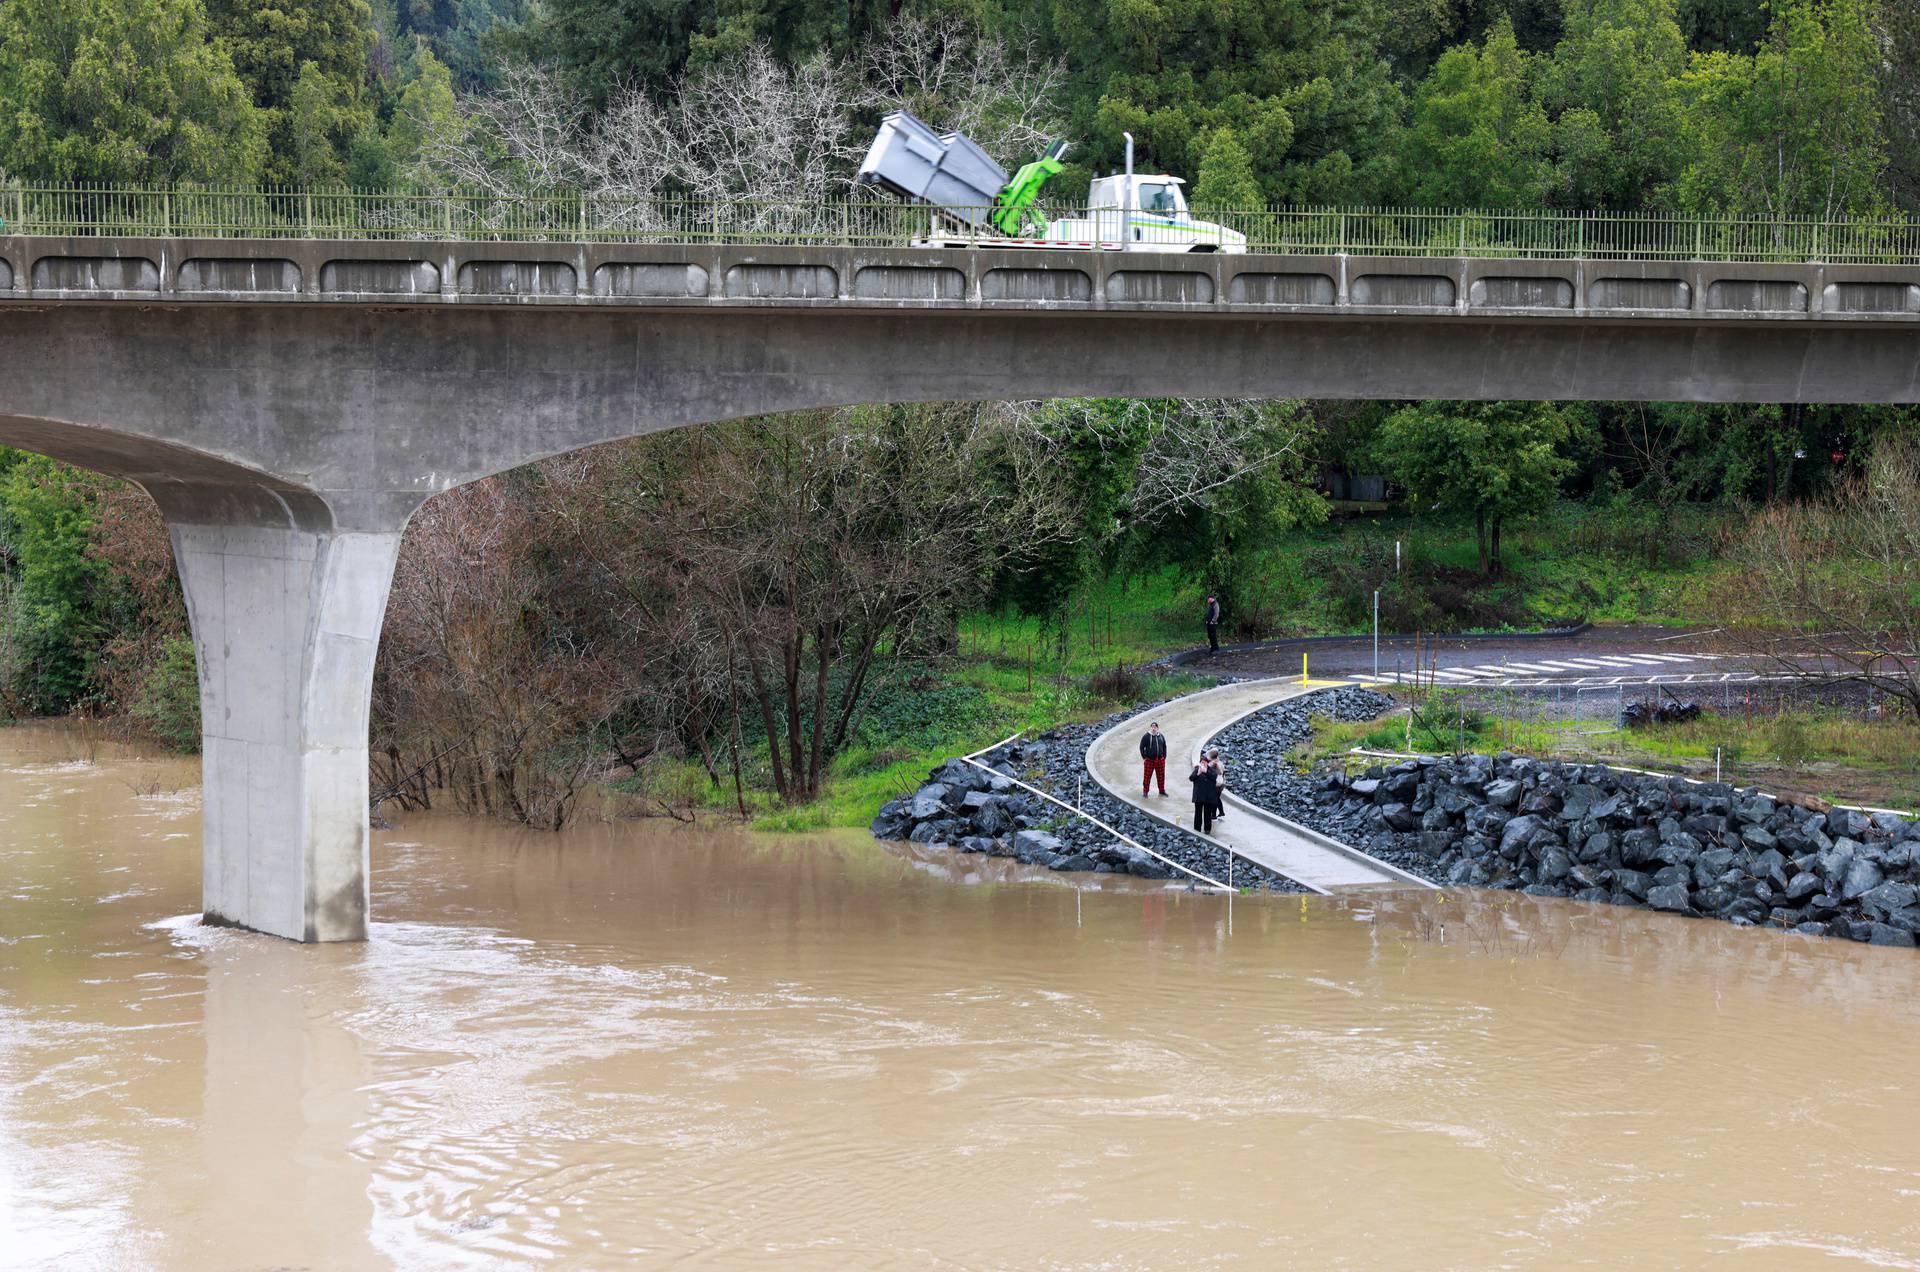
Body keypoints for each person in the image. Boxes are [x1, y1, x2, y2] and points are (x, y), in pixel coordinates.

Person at [1189, 756, 1218, 834]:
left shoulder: (1211, 770)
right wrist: (1198, 773)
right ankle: (1197, 828)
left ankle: (1207, 829)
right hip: (1199, 795)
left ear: (1207, 763)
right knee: (1198, 813)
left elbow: (1214, 777)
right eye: (1201, 762)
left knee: (1207, 814)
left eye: (1204, 763)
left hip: (1208, 797)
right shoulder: (1197, 769)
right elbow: (1191, 778)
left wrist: (1206, 772)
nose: (1203, 764)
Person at [1139, 722, 1168, 797]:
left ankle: (1162, 791)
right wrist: (1144, 757)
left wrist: (1164, 757)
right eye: (1152, 727)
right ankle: (1145, 792)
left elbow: (1164, 746)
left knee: (1161, 776)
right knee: (1147, 777)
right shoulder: (1146, 736)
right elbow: (1141, 747)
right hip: (1149, 761)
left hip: (1160, 760)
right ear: (1150, 728)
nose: (1153, 728)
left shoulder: (1161, 736)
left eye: (1155, 727)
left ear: (1157, 728)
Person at [1207, 747, 1227, 822]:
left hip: (1216, 784)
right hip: (1222, 783)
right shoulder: (1220, 762)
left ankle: (1213, 815)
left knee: (1214, 799)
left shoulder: (1213, 763)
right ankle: (1221, 812)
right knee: (1217, 798)